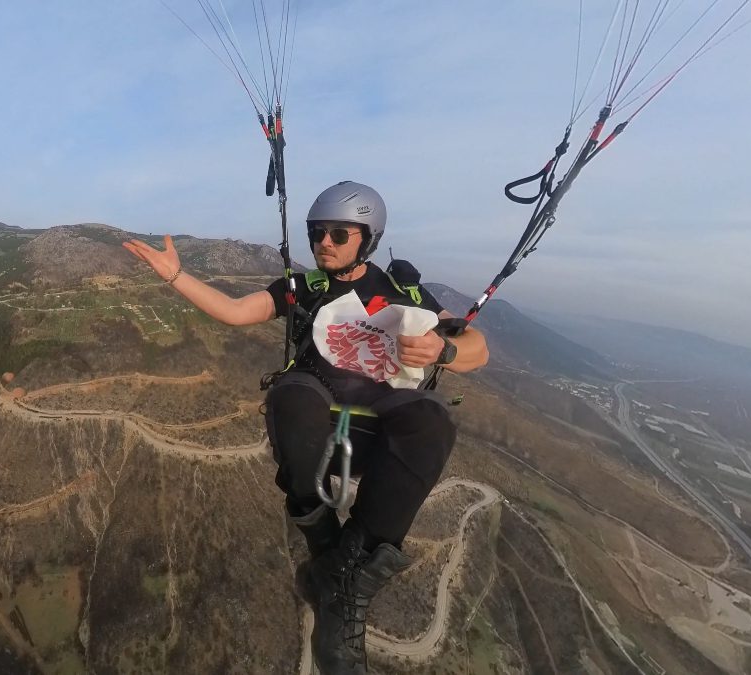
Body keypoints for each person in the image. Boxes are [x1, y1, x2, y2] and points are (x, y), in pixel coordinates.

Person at [123, 181, 489, 674]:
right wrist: (177, 277)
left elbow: (475, 348)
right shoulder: (303, 289)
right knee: (291, 393)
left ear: (369, 238)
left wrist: (444, 351)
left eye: (340, 233)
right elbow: (236, 313)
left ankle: (341, 580)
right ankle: (326, 549)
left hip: (382, 421)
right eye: (318, 232)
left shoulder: (403, 291)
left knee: (433, 419)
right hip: (314, 410)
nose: (325, 242)